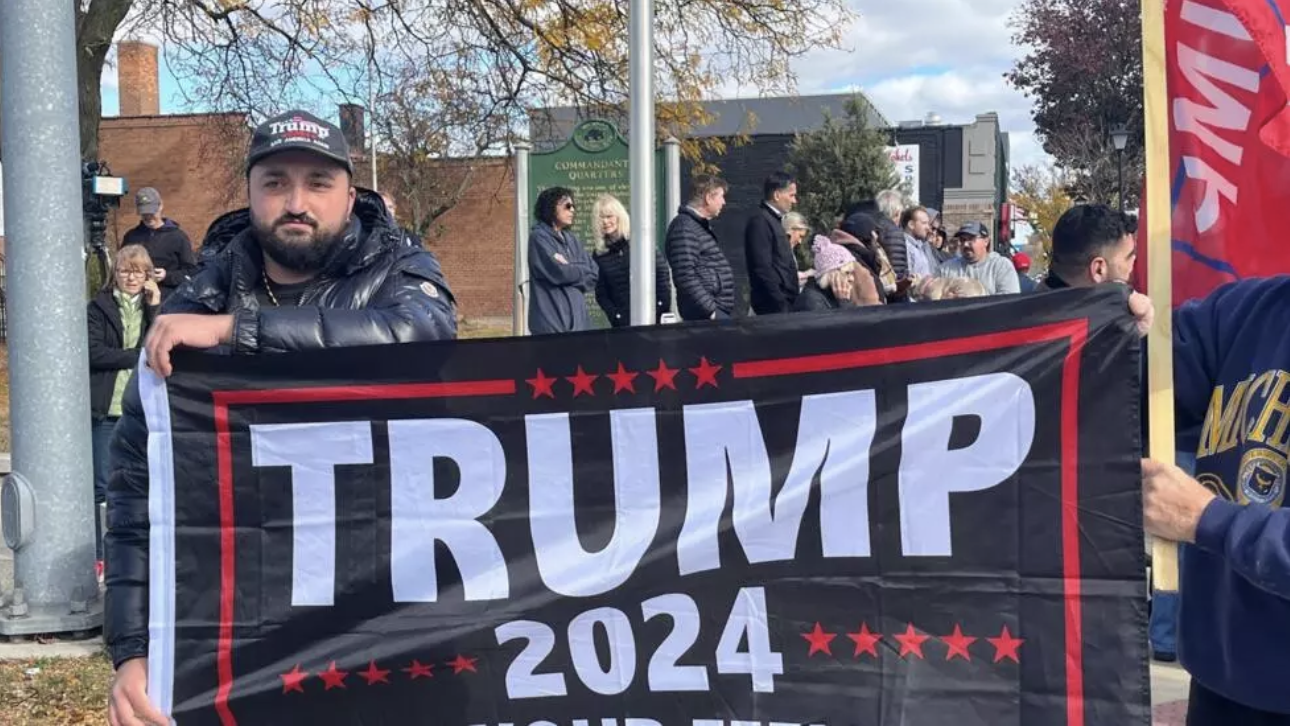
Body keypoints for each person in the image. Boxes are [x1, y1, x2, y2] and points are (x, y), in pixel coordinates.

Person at [105, 109, 457, 726]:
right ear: (249, 193)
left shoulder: (396, 268)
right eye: (275, 182)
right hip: (248, 636)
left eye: (318, 183)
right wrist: (133, 652)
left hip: (388, 625)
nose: (296, 201)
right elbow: (139, 490)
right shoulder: (199, 296)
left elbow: (422, 335)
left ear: (351, 195)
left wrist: (238, 334)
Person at [1140, 274, 1290, 723]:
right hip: (1220, 677)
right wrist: (1112, 328)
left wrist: (1206, 519)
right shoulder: (1250, 308)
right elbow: (1146, 386)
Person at [86, 244, 161, 575]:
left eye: (139, 271)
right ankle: (101, 555)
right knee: (103, 484)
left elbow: (162, 345)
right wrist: (136, 355)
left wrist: (156, 306)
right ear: (115, 274)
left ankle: (140, 551)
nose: (131, 277)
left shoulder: (153, 308)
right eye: (125, 270)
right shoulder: (98, 308)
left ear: (148, 275)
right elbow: (94, 353)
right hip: (107, 408)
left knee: (145, 482)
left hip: (144, 409)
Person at [590, 194, 672, 327]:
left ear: (619, 217)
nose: (605, 222)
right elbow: (601, 294)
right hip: (623, 325)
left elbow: (661, 275)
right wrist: (616, 316)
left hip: (653, 319)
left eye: (609, 216)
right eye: (600, 218)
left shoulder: (640, 242)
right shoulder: (599, 254)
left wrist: (660, 309)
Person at [527, 186, 598, 334]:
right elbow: (559, 272)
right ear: (551, 208)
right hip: (552, 326)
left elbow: (593, 274)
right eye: (567, 206)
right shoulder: (539, 238)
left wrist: (571, 267)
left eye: (573, 206)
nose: (572, 210)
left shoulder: (572, 239)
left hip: (580, 326)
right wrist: (579, 269)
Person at [665, 174, 735, 321]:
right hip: (703, 318)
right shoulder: (684, 227)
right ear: (708, 198)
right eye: (721, 196)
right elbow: (685, 275)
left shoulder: (697, 227)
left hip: (710, 315)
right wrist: (712, 312)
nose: (724, 202)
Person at [121, 187, 197, 300]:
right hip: (137, 300)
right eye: (144, 213)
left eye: (152, 212)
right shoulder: (131, 237)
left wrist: (166, 276)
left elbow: (191, 272)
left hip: (169, 301)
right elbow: (121, 268)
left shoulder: (178, 237)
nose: (148, 217)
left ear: (160, 206)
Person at [1039, 203, 1137, 290]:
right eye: (1130, 257)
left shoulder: (1028, 306)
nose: (1136, 266)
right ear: (1098, 270)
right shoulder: (1118, 308)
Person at [745, 172, 800, 315]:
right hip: (772, 308)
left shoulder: (773, 221)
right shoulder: (760, 222)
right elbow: (762, 267)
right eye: (791, 195)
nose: (795, 201)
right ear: (777, 195)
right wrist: (779, 302)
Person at [793, 235, 880, 311]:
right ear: (830, 274)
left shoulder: (832, 294)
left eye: (852, 273)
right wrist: (844, 303)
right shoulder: (812, 302)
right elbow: (843, 328)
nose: (852, 278)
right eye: (847, 273)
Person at [936, 222, 1020, 295]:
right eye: (962, 240)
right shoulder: (946, 269)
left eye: (971, 239)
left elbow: (1009, 300)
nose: (965, 244)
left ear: (986, 241)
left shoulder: (1001, 266)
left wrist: (975, 297)